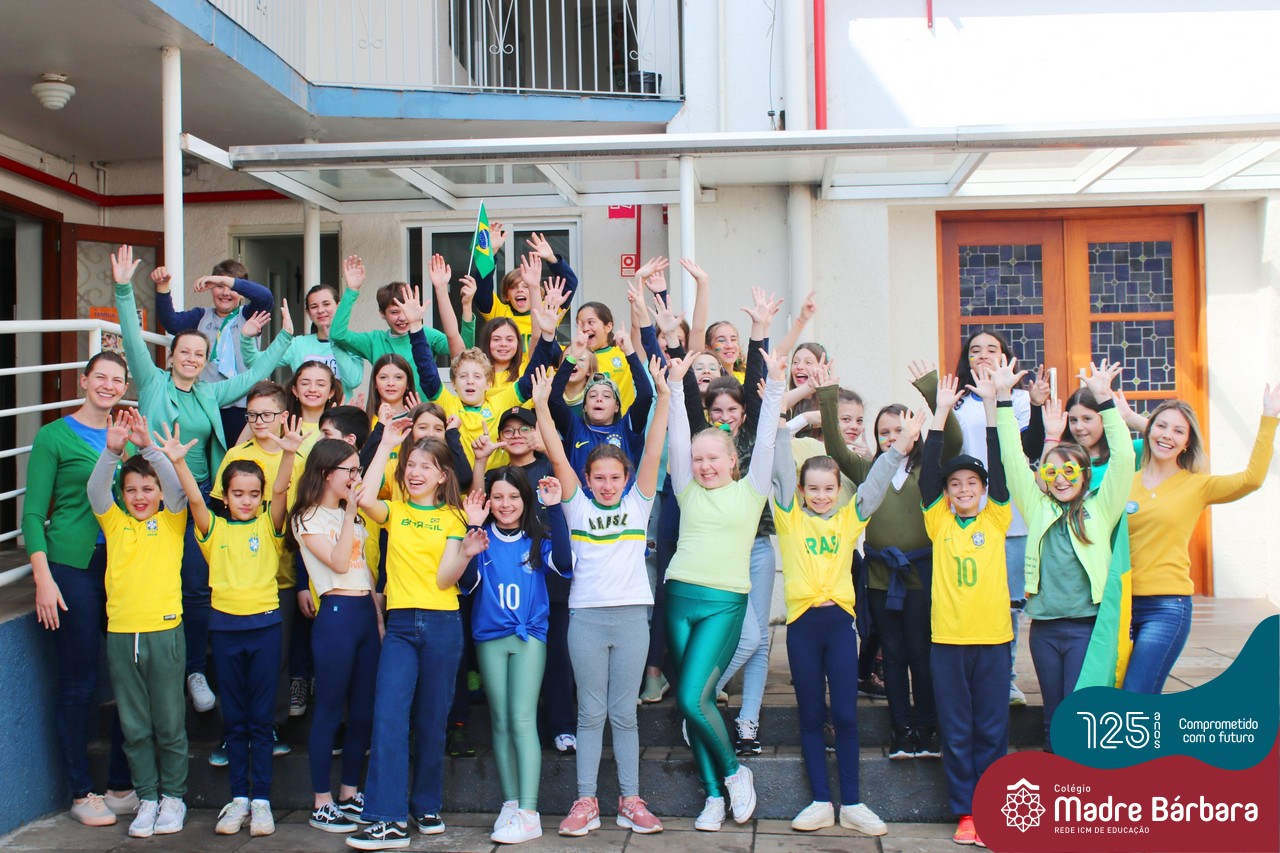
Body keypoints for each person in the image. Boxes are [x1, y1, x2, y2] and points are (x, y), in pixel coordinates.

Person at [112, 245, 294, 717]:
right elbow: (130, 337)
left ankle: (194, 671)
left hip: (196, 505)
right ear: (172, 356)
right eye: (185, 352)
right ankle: (156, 673)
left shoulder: (211, 393)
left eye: (199, 353)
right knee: (154, 584)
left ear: (206, 358)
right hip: (151, 500)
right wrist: (124, 289)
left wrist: (285, 338)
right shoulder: (153, 383)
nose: (192, 358)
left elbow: (258, 373)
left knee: (196, 589)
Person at [531, 359, 671, 839]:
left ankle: (630, 800)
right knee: (590, 713)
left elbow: (654, 447)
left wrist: (665, 394)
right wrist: (542, 407)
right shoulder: (575, 506)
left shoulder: (638, 502)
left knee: (624, 714)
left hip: (631, 619)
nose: (608, 485)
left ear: (625, 477)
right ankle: (586, 801)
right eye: (599, 478)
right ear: (587, 479)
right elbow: (556, 452)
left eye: (615, 477)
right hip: (587, 620)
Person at [772, 410, 923, 834]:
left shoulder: (847, 519)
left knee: (845, 715)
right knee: (810, 714)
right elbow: (780, 468)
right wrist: (785, 421)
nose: (821, 496)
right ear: (801, 491)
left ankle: (852, 804)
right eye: (813, 489)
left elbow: (875, 484)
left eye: (828, 489)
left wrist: (899, 447)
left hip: (838, 627)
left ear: (839, 491)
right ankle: (821, 801)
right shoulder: (789, 518)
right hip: (803, 628)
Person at [663, 344, 785, 832]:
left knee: (692, 698)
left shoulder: (751, 490)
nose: (704, 465)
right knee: (699, 701)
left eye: (713, 458)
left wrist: (775, 387)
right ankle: (713, 795)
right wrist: (676, 388)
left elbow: (768, 440)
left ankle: (735, 773)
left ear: (733, 460)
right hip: (679, 599)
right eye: (698, 459)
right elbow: (678, 438)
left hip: (723, 604)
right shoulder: (685, 486)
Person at [346, 423, 483, 849]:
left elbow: (444, 580)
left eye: (426, 466)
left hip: (443, 624)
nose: (415, 472)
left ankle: (426, 805)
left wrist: (466, 552)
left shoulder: (455, 517)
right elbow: (362, 497)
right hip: (402, 626)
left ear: (443, 475)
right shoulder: (396, 511)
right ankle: (387, 818)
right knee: (389, 717)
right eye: (411, 465)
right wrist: (387, 443)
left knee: (432, 720)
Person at [818, 361, 962, 760]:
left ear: (915, 432)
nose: (892, 437)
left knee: (922, 653)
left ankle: (927, 729)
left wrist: (933, 391)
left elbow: (952, 439)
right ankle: (901, 731)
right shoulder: (869, 470)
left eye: (900, 430)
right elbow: (835, 449)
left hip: (922, 575)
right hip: (881, 577)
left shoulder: (931, 468)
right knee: (893, 656)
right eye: (884, 432)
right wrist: (827, 396)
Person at [165, 416, 299, 838]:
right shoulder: (213, 528)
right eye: (238, 493)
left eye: (253, 494)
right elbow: (194, 500)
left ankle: (262, 802)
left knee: (261, 718)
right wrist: (179, 463)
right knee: (235, 718)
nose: (246, 500)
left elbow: (282, 492)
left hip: (265, 629)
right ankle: (239, 797)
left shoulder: (268, 525)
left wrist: (290, 453)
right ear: (226, 495)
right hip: (225, 632)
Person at [23, 352, 137, 827]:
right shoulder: (53, 436)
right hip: (72, 567)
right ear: (84, 380)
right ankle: (80, 792)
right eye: (100, 377)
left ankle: (120, 785)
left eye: (117, 380)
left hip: (122, 567)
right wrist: (43, 578)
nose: (108, 385)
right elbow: (33, 514)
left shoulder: (124, 437)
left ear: (124, 387)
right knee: (79, 682)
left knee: (130, 676)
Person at [996, 359, 1133, 751]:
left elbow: (1124, 459)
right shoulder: (1037, 507)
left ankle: (1082, 777)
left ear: (1085, 475)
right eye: (1052, 472)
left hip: (1085, 626)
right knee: (1053, 714)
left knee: (1079, 711)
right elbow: (1011, 459)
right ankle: (1056, 776)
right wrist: (1003, 399)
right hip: (1044, 627)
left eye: (1069, 472)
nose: (1060, 479)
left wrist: (1106, 401)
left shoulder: (1100, 508)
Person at [1123, 386, 1279, 693]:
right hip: (1120, 605)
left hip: (1166, 607)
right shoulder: (1124, 482)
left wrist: (1269, 418)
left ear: (1187, 443)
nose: (1167, 435)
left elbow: (1251, 479)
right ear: (1148, 430)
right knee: (1120, 694)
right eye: (1161, 426)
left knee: (1135, 693)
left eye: (1179, 431)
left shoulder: (1197, 486)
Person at [920, 370, 1011, 849]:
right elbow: (927, 476)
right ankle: (968, 812)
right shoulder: (939, 522)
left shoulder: (996, 517)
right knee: (956, 731)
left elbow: (998, 461)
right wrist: (939, 414)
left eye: (971, 481)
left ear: (983, 487)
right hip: (948, 642)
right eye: (954, 483)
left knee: (992, 730)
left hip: (993, 640)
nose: (961, 488)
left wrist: (992, 406)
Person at [87, 410, 190, 839]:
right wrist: (112, 452)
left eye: (148, 488)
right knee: (133, 726)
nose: (140, 496)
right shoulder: (115, 524)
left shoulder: (171, 520)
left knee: (169, 723)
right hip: (121, 634)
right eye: (131, 490)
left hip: (164, 633)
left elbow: (178, 491)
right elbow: (96, 491)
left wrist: (149, 448)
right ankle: (147, 797)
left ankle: (174, 798)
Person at [458, 470, 573, 844]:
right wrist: (472, 528)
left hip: (529, 637)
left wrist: (554, 509)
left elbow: (565, 564)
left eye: (513, 497)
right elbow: (467, 583)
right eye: (498, 497)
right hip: (489, 637)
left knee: (523, 719)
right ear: (488, 501)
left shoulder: (537, 537)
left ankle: (529, 811)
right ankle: (510, 804)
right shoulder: (481, 538)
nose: (505, 504)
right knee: (501, 720)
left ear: (525, 499)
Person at [289, 439, 381, 834]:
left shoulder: (351, 516)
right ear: (328, 473)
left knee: (363, 710)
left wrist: (378, 618)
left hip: (364, 614)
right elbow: (340, 563)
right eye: (351, 471)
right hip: (336, 615)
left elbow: (363, 571)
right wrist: (351, 513)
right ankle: (321, 801)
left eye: (359, 470)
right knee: (328, 709)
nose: (356, 478)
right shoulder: (306, 517)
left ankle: (349, 792)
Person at [952, 328, 1048, 706]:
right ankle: (972, 677)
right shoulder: (958, 401)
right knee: (971, 597)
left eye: (992, 349)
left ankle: (1005, 680)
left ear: (1005, 357)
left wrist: (1036, 406)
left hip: (1012, 520)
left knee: (1009, 605)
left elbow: (1031, 448)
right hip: (966, 515)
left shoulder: (1019, 398)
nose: (983, 355)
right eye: (975, 350)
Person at [152, 259, 274, 443]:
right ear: (211, 289)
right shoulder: (201, 317)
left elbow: (265, 297)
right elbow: (171, 322)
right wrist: (163, 287)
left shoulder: (249, 314)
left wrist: (222, 280)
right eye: (219, 286)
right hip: (208, 403)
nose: (225, 292)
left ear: (241, 291)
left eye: (230, 287)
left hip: (244, 404)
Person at [331, 255, 456, 395]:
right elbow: (337, 334)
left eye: (405, 310)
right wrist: (352, 290)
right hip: (386, 408)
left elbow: (460, 348)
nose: (402, 318)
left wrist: (465, 307)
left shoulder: (427, 335)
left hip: (424, 408)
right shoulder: (375, 341)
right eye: (394, 312)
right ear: (382, 314)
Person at [242, 282, 366, 396]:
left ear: (339, 307)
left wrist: (334, 342)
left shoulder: (352, 342)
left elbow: (353, 381)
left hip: (341, 413)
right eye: (314, 306)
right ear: (308, 313)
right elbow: (256, 363)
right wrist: (247, 338)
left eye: (326, 304)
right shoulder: (298, 345)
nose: (320, 310)